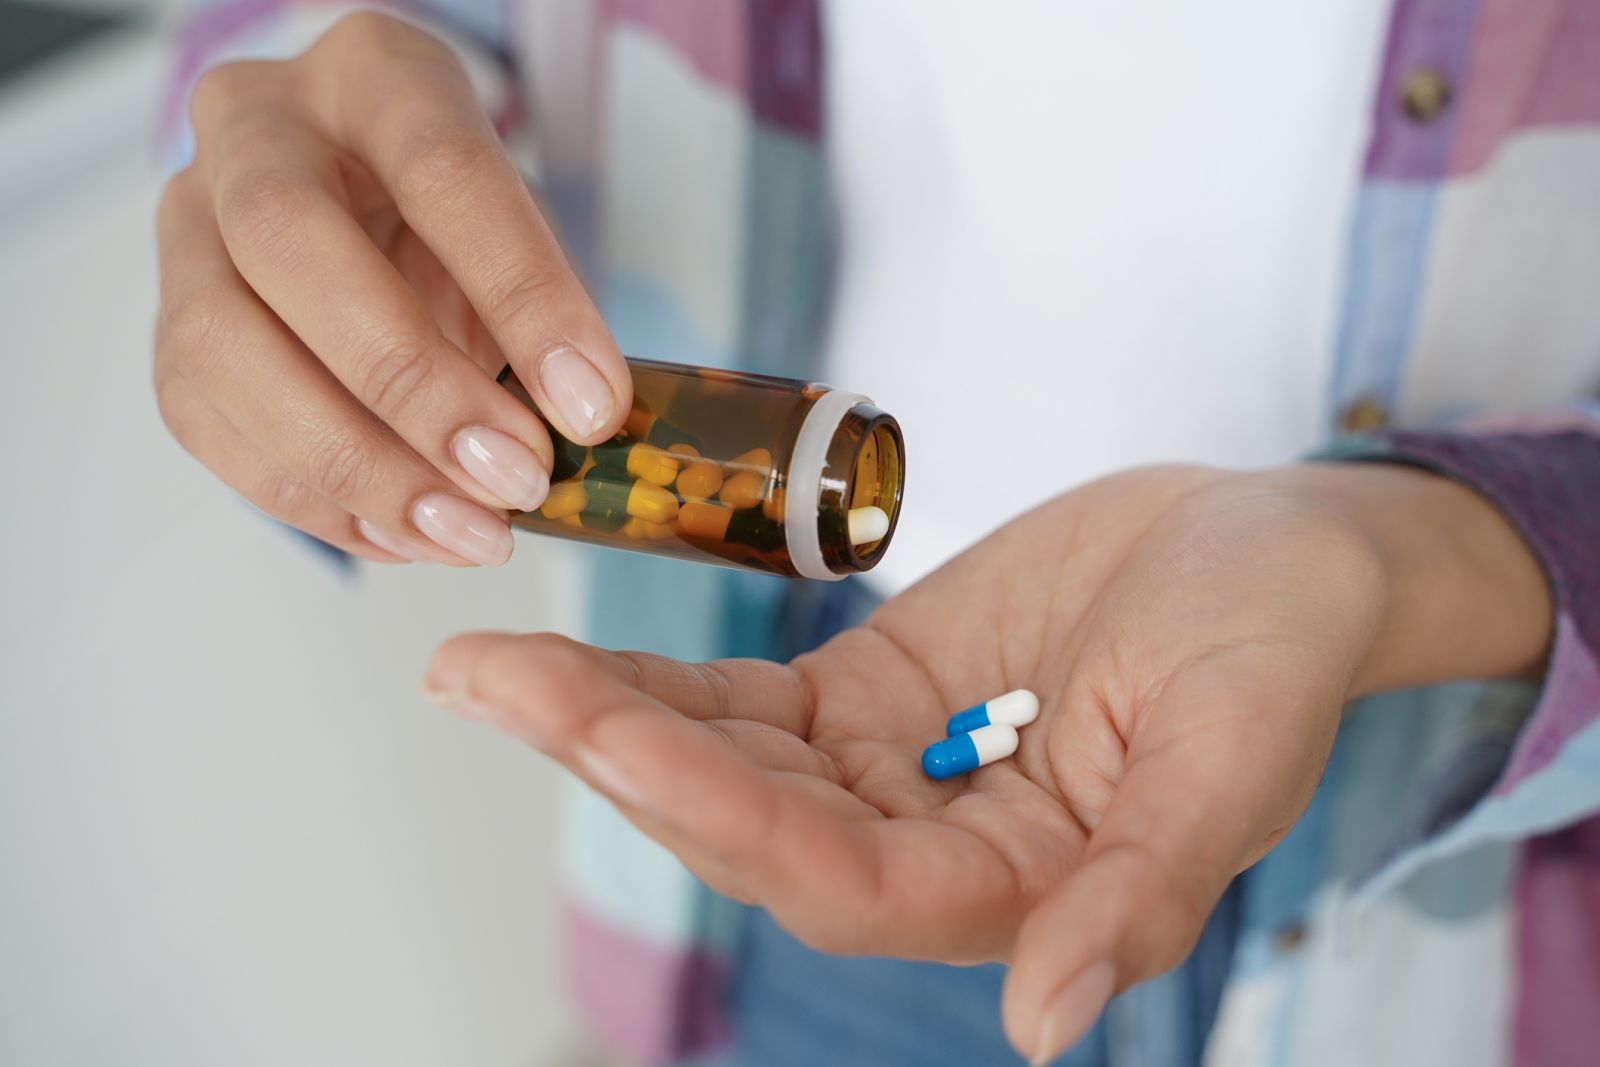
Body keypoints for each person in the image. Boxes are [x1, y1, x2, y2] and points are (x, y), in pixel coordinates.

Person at [153, 3, 1600, 1064]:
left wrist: (1400, 553)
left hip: (1472, 818)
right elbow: (324, 33)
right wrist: (304, 128)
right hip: (827, 696)